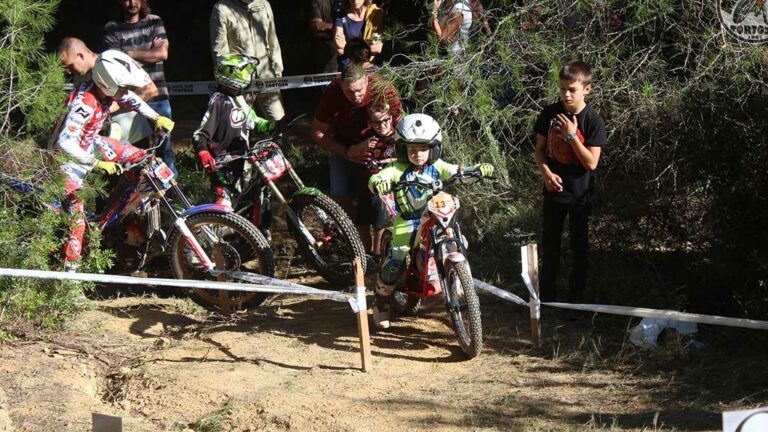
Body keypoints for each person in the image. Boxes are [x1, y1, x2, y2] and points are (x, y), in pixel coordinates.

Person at [368, 113, 494, 329]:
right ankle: (381, 302)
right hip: (407, 221)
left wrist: (477, 170)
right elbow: (381, 176)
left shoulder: (438, 166)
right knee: (395, 261)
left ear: (433, 148)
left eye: (424, 148)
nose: (418, 154)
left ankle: (460, 278)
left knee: (459, 239)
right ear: (402, 149)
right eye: (412, 149)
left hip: (434, 218)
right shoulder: (397, 169)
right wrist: (378, 181)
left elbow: (458, 170)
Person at [56, 53, 175, 271]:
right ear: (107, 84)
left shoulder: (106, 90)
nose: (125, 91)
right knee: (77, 223)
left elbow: (131, 98)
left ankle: (121, 203)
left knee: (144, 158)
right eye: (121, 87)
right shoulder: (85, 103)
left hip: (90, 143)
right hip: (68, 159)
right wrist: (95, 163)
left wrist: (155, 117)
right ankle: (69, 279)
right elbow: (64, 142)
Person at [533, 61, 607, 302]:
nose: (566, 94)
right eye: (562, 88)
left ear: (587, 89)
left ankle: (576, 302)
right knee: (550, 247)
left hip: (579, 195)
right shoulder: (549, 113)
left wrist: (572, 136)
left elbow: (591, 163)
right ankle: (547, 299)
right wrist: (546, 174)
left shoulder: (593, 120)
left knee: (579, 248)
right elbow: (539, 151)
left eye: (572, 89)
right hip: (554, 192)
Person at [311, 61, 402, 254]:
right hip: (344, 144)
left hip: (379, 147)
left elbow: (400, 125)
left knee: (379, 199)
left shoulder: (383, 89)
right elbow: (317, 132)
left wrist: (390, 150)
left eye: (359, 90)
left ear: (367, 81)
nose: (356, 96)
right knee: (340, 196)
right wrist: (347, 152)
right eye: (349, 92)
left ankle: (377, 252)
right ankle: (356, 248)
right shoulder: (333, 92)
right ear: (341, 85)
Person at [192, 54, 280, 239]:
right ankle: (203, 243)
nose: (248, 75)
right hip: (220, 164)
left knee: (255, 196)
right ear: (231, 74)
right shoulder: (218, 100)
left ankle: (251, 238)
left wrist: (276, 124)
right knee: (224, 209)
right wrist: (202, 151)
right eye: (245, 71)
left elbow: (255, 122)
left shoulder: (238, 98)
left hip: (239, 161)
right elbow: (200, 132)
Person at [103, 0, 177, 175]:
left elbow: (162, 53)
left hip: (158, 96)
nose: (132, 2)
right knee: (136, 153)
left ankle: (171, 195)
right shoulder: (112, 27)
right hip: (131, 100)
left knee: (165, 149)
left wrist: (127, 54)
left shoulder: (154, 21)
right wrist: (149, 53)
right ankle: (139, 196)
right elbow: (115, 65)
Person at [210, 0, 285, 121]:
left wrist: (278, 71)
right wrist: (230, 81)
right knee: (240, 130)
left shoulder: (264, 5)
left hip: (268, 78)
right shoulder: (222, 8)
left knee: (280, 124)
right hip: (239, 84)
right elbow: (219, 52)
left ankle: (279, 140)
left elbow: (273, 41)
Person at [357, 100, 397, 258]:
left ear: (391, 118)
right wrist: (362, 147)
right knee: (362, 218)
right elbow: (355, 156)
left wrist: (389, 162)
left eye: (386, 120)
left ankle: (377, 252)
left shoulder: (397, 139)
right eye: (377, 122)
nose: (382, 125)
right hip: (367, 185)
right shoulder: (368, 138)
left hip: (388, 189)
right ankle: (365, 254)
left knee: (380, 217)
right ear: (370, 123)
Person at [334, 0, 384, 69]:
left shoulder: (375, 14)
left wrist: (350, 48)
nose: (355, 0)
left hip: (372, 64)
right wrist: (367, 45)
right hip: (349, 66)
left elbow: (376, 45)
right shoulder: (340, 16)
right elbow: (340, 44)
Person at [310, 0, 343, 74]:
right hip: (328, 62)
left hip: (351, 59)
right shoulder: (319, 1)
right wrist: (339, 28)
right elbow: (316, 26)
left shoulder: (351, 2)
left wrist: (328, 29)